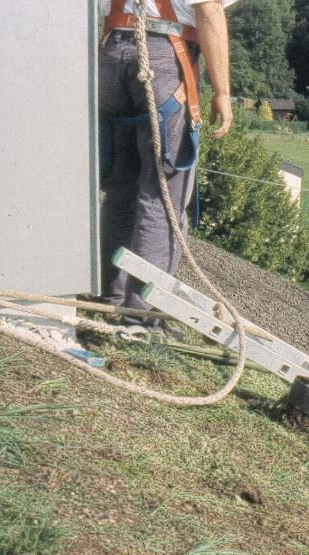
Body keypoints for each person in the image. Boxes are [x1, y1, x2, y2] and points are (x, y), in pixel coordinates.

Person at [98, 0, 234, 328]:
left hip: (112, 54)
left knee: (121, 188)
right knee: (161, 196)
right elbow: (208, 11)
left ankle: (111, 300)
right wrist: (222, 92)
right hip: (161, 56)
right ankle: (140, 316)